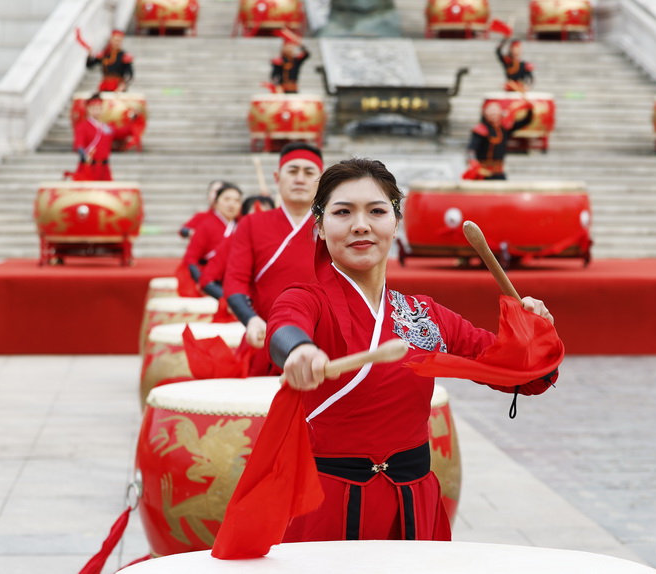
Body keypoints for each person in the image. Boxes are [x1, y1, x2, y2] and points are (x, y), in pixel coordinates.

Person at [265, 158, 559, 542]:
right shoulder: (307, 298)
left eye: (376, 211)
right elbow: (284, 328)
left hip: (412, 500)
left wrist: (534, 335)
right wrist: (299, 350)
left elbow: (522, 374)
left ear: (395, 222)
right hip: (326, 504)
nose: (360, 225)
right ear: (319, 226)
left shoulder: (426, 314)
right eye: (342, 212)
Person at [223, 142, 323, 374]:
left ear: (321, 180)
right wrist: (250, 319)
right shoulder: (251, 224)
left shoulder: (334, 226)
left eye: (309, 172)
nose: (300, 179)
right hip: (266, 336)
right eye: (292, 171)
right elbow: (235, 281)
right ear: (277, 177)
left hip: (322, 342)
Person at [181, 184, 244, 285]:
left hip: (236, 276)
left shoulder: (243, 225)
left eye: (237, 201)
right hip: (210, 277)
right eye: (227, 199)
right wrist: (200, 280)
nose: (232, 204)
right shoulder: (205, 225)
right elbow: (191, 258)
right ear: (216, 202)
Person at [465, 97, 534, 180]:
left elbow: (526, 121)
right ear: (485, 113)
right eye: (491, 111)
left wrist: (529, 109)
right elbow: (471, 150)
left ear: (501, 112)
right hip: (483, 173)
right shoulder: (480, 130)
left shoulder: (504, 129)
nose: (493, 113)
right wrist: (472, 162)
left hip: (499, 173)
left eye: (495, 110)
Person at [72, 94, 116, 181]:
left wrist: (133, 118)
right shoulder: (82, 126)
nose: (97, 111)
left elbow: (120, 132)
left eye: (99, 108)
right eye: (94, 108)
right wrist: (83, 154)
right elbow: (79, 144)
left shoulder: (107, 127)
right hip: (89, 167)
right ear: (88, 109)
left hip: (104, 169)